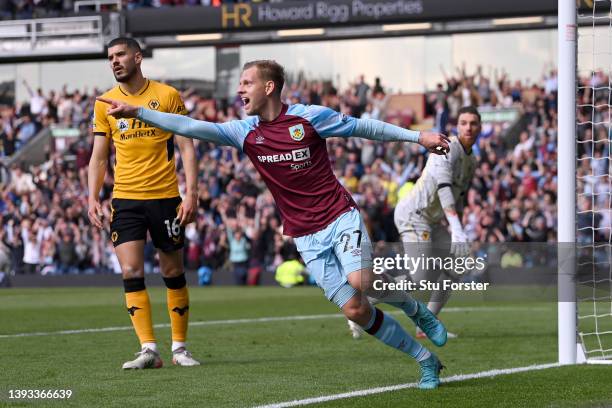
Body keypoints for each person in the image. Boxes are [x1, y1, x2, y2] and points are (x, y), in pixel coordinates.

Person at [97, 60, 451, 388]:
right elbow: (191, 126)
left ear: (269, 87)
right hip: (306, 235)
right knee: (356, 310)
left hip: (339, 216)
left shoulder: (309, 118)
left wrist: (418, 137)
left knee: (362, 280)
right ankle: (425, 360)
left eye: (246, 83)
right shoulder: (244, 131)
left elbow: (364, 127)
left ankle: (414, 309)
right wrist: (140, 112)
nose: (240, 90)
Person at [88, 37, 200, 370]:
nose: (114, 61)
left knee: (172, 270)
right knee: (131, 271)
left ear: (138, 57)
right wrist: (92, 197)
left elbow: (187, 146)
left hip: (166, 197)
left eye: (120, 54)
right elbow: (98, 157)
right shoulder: (104, 102)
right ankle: (149, 349)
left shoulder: (167, 96)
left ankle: (180, 348)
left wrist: (191, 192)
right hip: (125, 200)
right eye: (110, 57)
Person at [393, 106, 480, 339]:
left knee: (459, 261)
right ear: (457, 126)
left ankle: (426, 325)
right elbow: (444, 189)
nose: (468, 127)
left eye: (473, 123)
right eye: (464, 122)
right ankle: (367, 295)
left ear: (480, 127)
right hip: (413, 214)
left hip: (432, 220)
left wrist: (458, 233)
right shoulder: (446, 148)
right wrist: (457, 228)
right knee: (420, 276)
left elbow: (458, 198)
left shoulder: (472, 161)